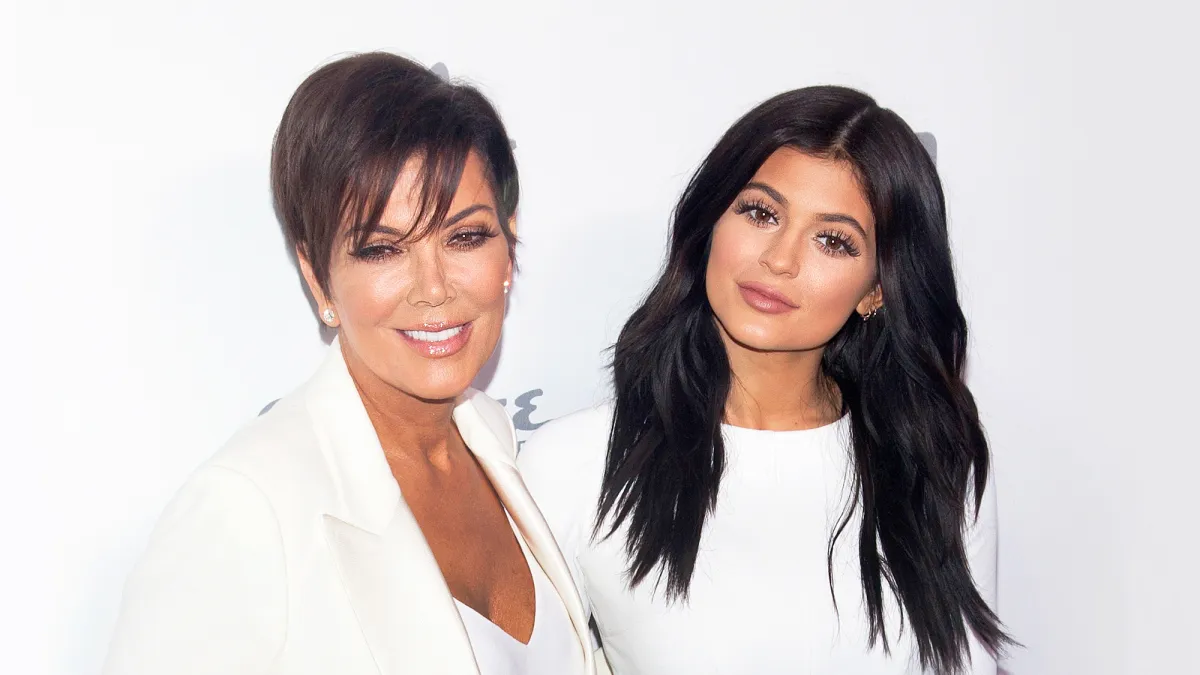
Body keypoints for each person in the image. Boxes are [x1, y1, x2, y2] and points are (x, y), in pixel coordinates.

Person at [104, 52, 597, 675]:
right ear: (318, 278)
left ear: (509, 238)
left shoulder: (491, 439)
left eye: (465, 237)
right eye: (382, 250)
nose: (435, 287)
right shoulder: (247, 510)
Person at [518, 86, 1014, 674]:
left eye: (833, 241)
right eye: (761, 212)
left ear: (877, 289)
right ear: (712, 222)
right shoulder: (574, 466)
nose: (781, 259)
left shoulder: (934, 467)